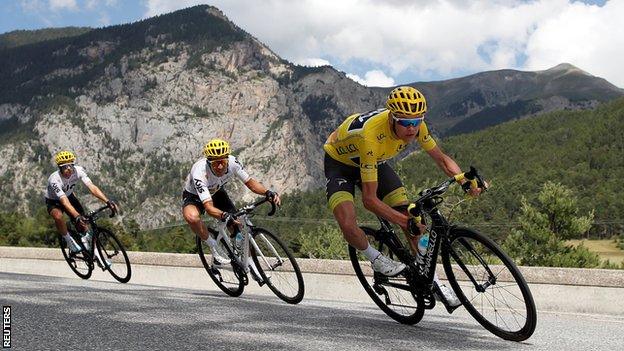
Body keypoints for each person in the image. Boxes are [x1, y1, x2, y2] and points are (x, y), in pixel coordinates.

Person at [323, 86, 485, 308]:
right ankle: (376, 259)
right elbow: (369, 201)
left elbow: (441, 159)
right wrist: (404, 221)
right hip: (341, 166)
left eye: (417, 121)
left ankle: (433, 281)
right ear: (392, 117)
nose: (412, 128)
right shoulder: (370, 136)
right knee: (348, 224)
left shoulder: (417, 126)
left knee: (411, 215)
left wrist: (463, 180)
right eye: (405, 122)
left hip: (375, 162)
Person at [181, 138, 280, 280]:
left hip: (216, 192)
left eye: (223, 162)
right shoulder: (200, 172)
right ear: (209, 162)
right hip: (194, 196)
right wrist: (224, 215)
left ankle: (249, 262)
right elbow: (208, 207)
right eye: (216, 163)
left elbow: (251, 183)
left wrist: (267, 192)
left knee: (237, 225)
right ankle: (214, 247)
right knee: (192, 217)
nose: (220, 166)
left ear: (227, 159)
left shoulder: (233, 162)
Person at [45, 151, 119, 262]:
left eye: (70, 165)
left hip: (69, 197)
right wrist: (76, 216)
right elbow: (64, 202)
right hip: (54, 201)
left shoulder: (78, 170)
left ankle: (95, 254)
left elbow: (92, 187)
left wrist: (107, 201)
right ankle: (69, 241)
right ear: (60, 168)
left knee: (84, 225)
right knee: (58, 216)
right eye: (65, 167)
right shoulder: (54, 179)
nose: (68, 169)